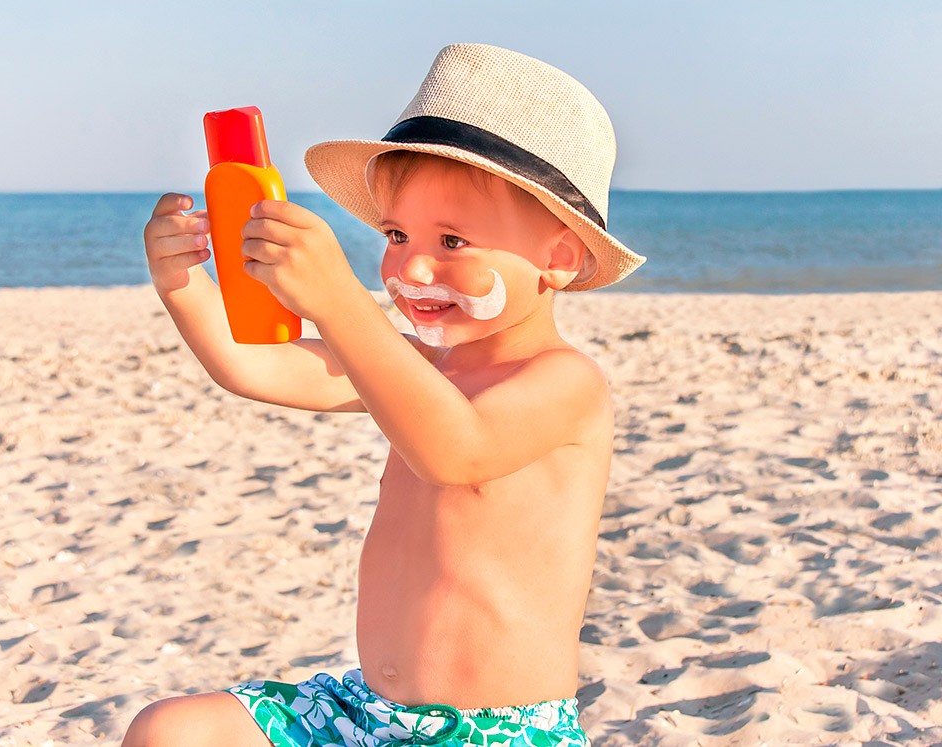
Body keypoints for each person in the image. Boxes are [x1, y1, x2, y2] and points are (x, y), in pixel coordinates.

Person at [125, 43, 645, 747]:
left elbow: (453, 448)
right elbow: (254, 367)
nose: (412, 265)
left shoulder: (565, 384)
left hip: (497, 732)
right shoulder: (408, 363)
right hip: (363, 711)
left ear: (557, 256)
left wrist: (341, 303)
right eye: (397, 234)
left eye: (453, 239)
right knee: (170, 730)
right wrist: (183, 284)